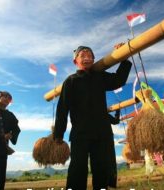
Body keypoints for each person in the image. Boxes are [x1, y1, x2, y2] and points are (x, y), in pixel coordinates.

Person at [53, 45, 132, 190]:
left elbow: (118, 80)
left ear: (94, 60)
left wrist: (124, 60)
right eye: (82, 55)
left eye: (90, 55)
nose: (87, 57)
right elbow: (62, 108)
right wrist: (58, 133)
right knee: (77, 169)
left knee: (102, 169)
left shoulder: (100, 76)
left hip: (102, 132)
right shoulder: (71, 81)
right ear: (75, 61)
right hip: (80, 133)